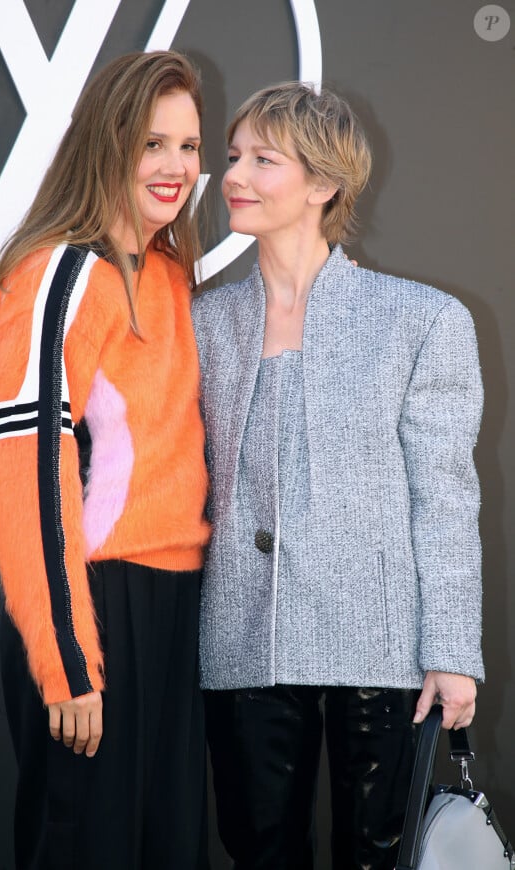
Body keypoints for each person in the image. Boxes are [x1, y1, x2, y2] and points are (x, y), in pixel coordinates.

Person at [192, 82, 484, 870]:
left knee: (376, 857)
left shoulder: (421, 319)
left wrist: (453, 650)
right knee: (257, 851)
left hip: (379, 647)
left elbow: (446, 496)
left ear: (323, 184)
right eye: (232, 158)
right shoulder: (203, 323)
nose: (233, 176)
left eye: (263, 159)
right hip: (241, 639)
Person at [0, 51, 211, 870]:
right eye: (152, 143)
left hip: (173, 607)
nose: (176, 166)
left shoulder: (169, 273)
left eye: (189, 145)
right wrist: (68, 658)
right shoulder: (61, 273)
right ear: (106, 144)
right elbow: (29, 475)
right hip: (94, 605)